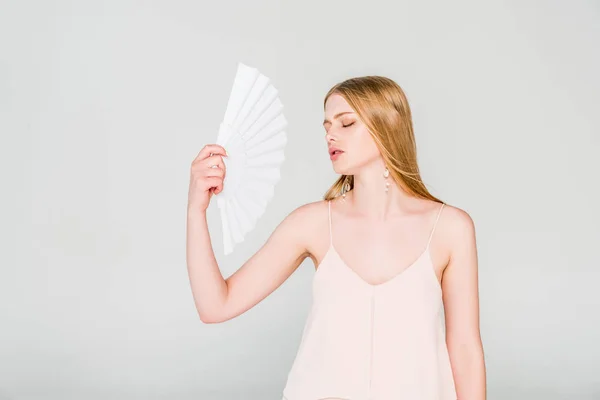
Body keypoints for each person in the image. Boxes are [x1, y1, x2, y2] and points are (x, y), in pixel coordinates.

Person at [186, 76, 486, 400]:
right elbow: (216, 306)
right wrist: (195, 211)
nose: (331, 134)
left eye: (346, 123)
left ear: (389, 124)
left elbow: (465, 349)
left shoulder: (451, 228)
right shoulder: (311, 224)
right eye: (327, 125)